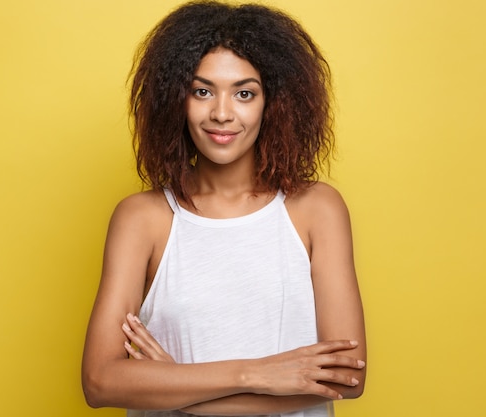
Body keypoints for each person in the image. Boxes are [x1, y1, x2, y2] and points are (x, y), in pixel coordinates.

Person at [82, 1, 366, 416]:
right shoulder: (141, 219)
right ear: (176, 100)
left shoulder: (317, 210)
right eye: (202, 91)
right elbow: (100, 381)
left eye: (244, 93)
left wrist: (185, 390)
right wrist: (255, 374)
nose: (221, 113)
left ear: (274, 103)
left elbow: (346, 377)